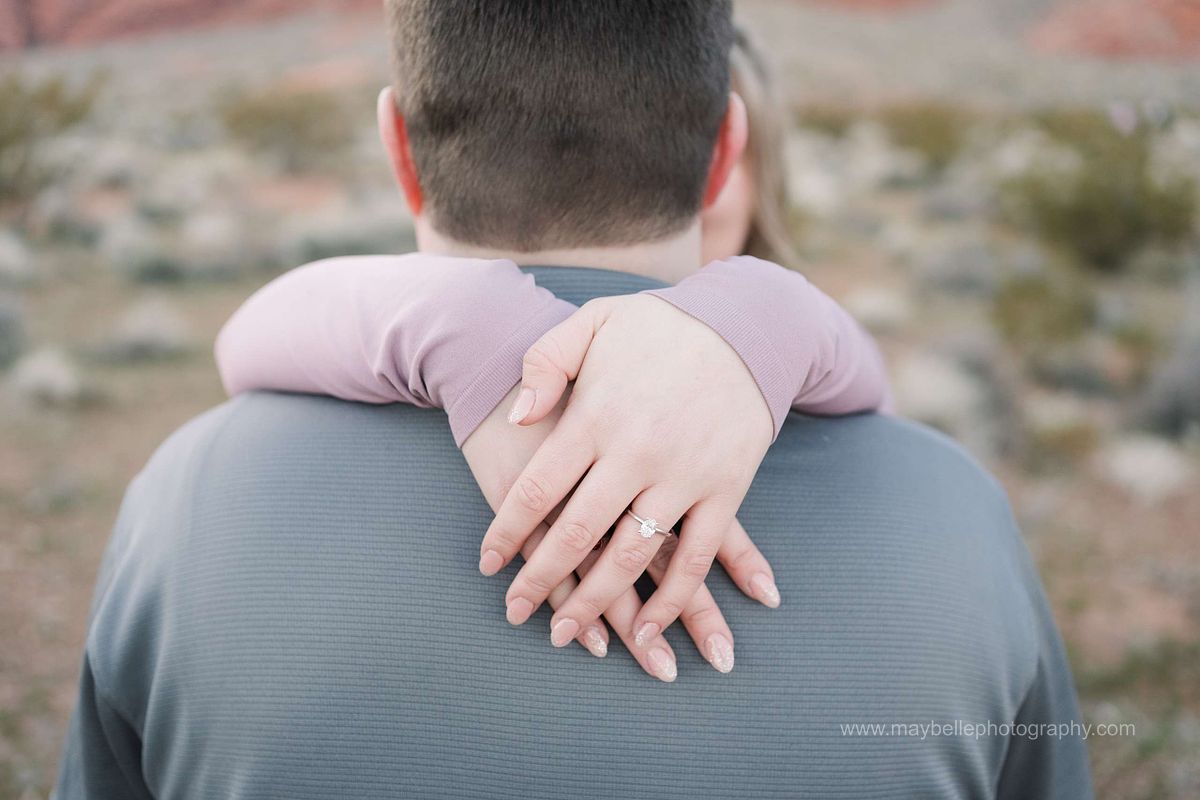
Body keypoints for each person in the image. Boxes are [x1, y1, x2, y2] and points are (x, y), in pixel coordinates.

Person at [56, 2, 1093, 798]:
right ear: (725, 150)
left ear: (400, 150)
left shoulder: (183, 501)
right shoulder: (954, 512)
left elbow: (244, 341)